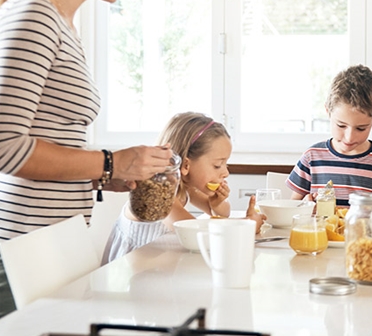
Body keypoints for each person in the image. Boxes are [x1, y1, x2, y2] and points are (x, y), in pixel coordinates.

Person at [0, 0, 174, 330]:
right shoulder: (34, 16)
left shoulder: (58, 23)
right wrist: (112, 160)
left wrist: (108, 174)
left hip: (50, 241)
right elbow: (1, 147)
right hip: (18, 247)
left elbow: (46, 140)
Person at [103, 112, 266, 264]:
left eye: (225, 163)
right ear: (186, 164)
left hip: (159, 265)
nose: (225, 172)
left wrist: (216, 204)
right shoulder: (159, 194)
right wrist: (247, 226)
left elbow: (223, 214)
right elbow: (196, 237)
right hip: (131, 270)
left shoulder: (185, 185)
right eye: (217, 165)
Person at [288, 65, 372, 204]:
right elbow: (293, 208)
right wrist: (306, 205)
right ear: (328, 111)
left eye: (361, 128)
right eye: (341, 125)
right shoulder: (312, 157)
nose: (350, 137)